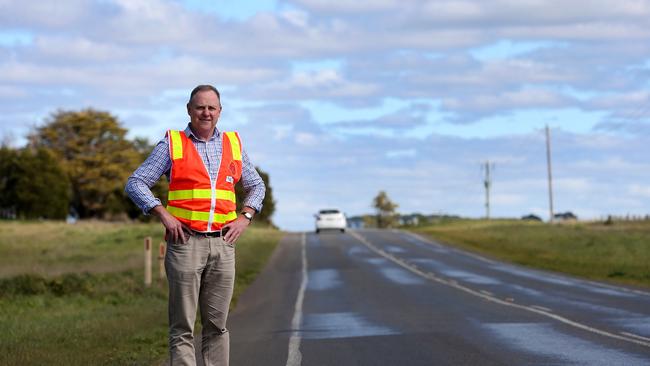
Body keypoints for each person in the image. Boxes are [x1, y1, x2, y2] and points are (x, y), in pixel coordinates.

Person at [125, 84, 265, 366]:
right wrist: (163, 214)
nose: (206, 113)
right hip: (185, 244)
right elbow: (135, 182)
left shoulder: (233, 143)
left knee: (217, 326)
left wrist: (245, 217)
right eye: (200, 107)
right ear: (189, 110)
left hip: (223, 245)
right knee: (183, 327)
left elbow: (256, 185)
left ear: (220, 112)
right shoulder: (173, 143)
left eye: (211, 108)